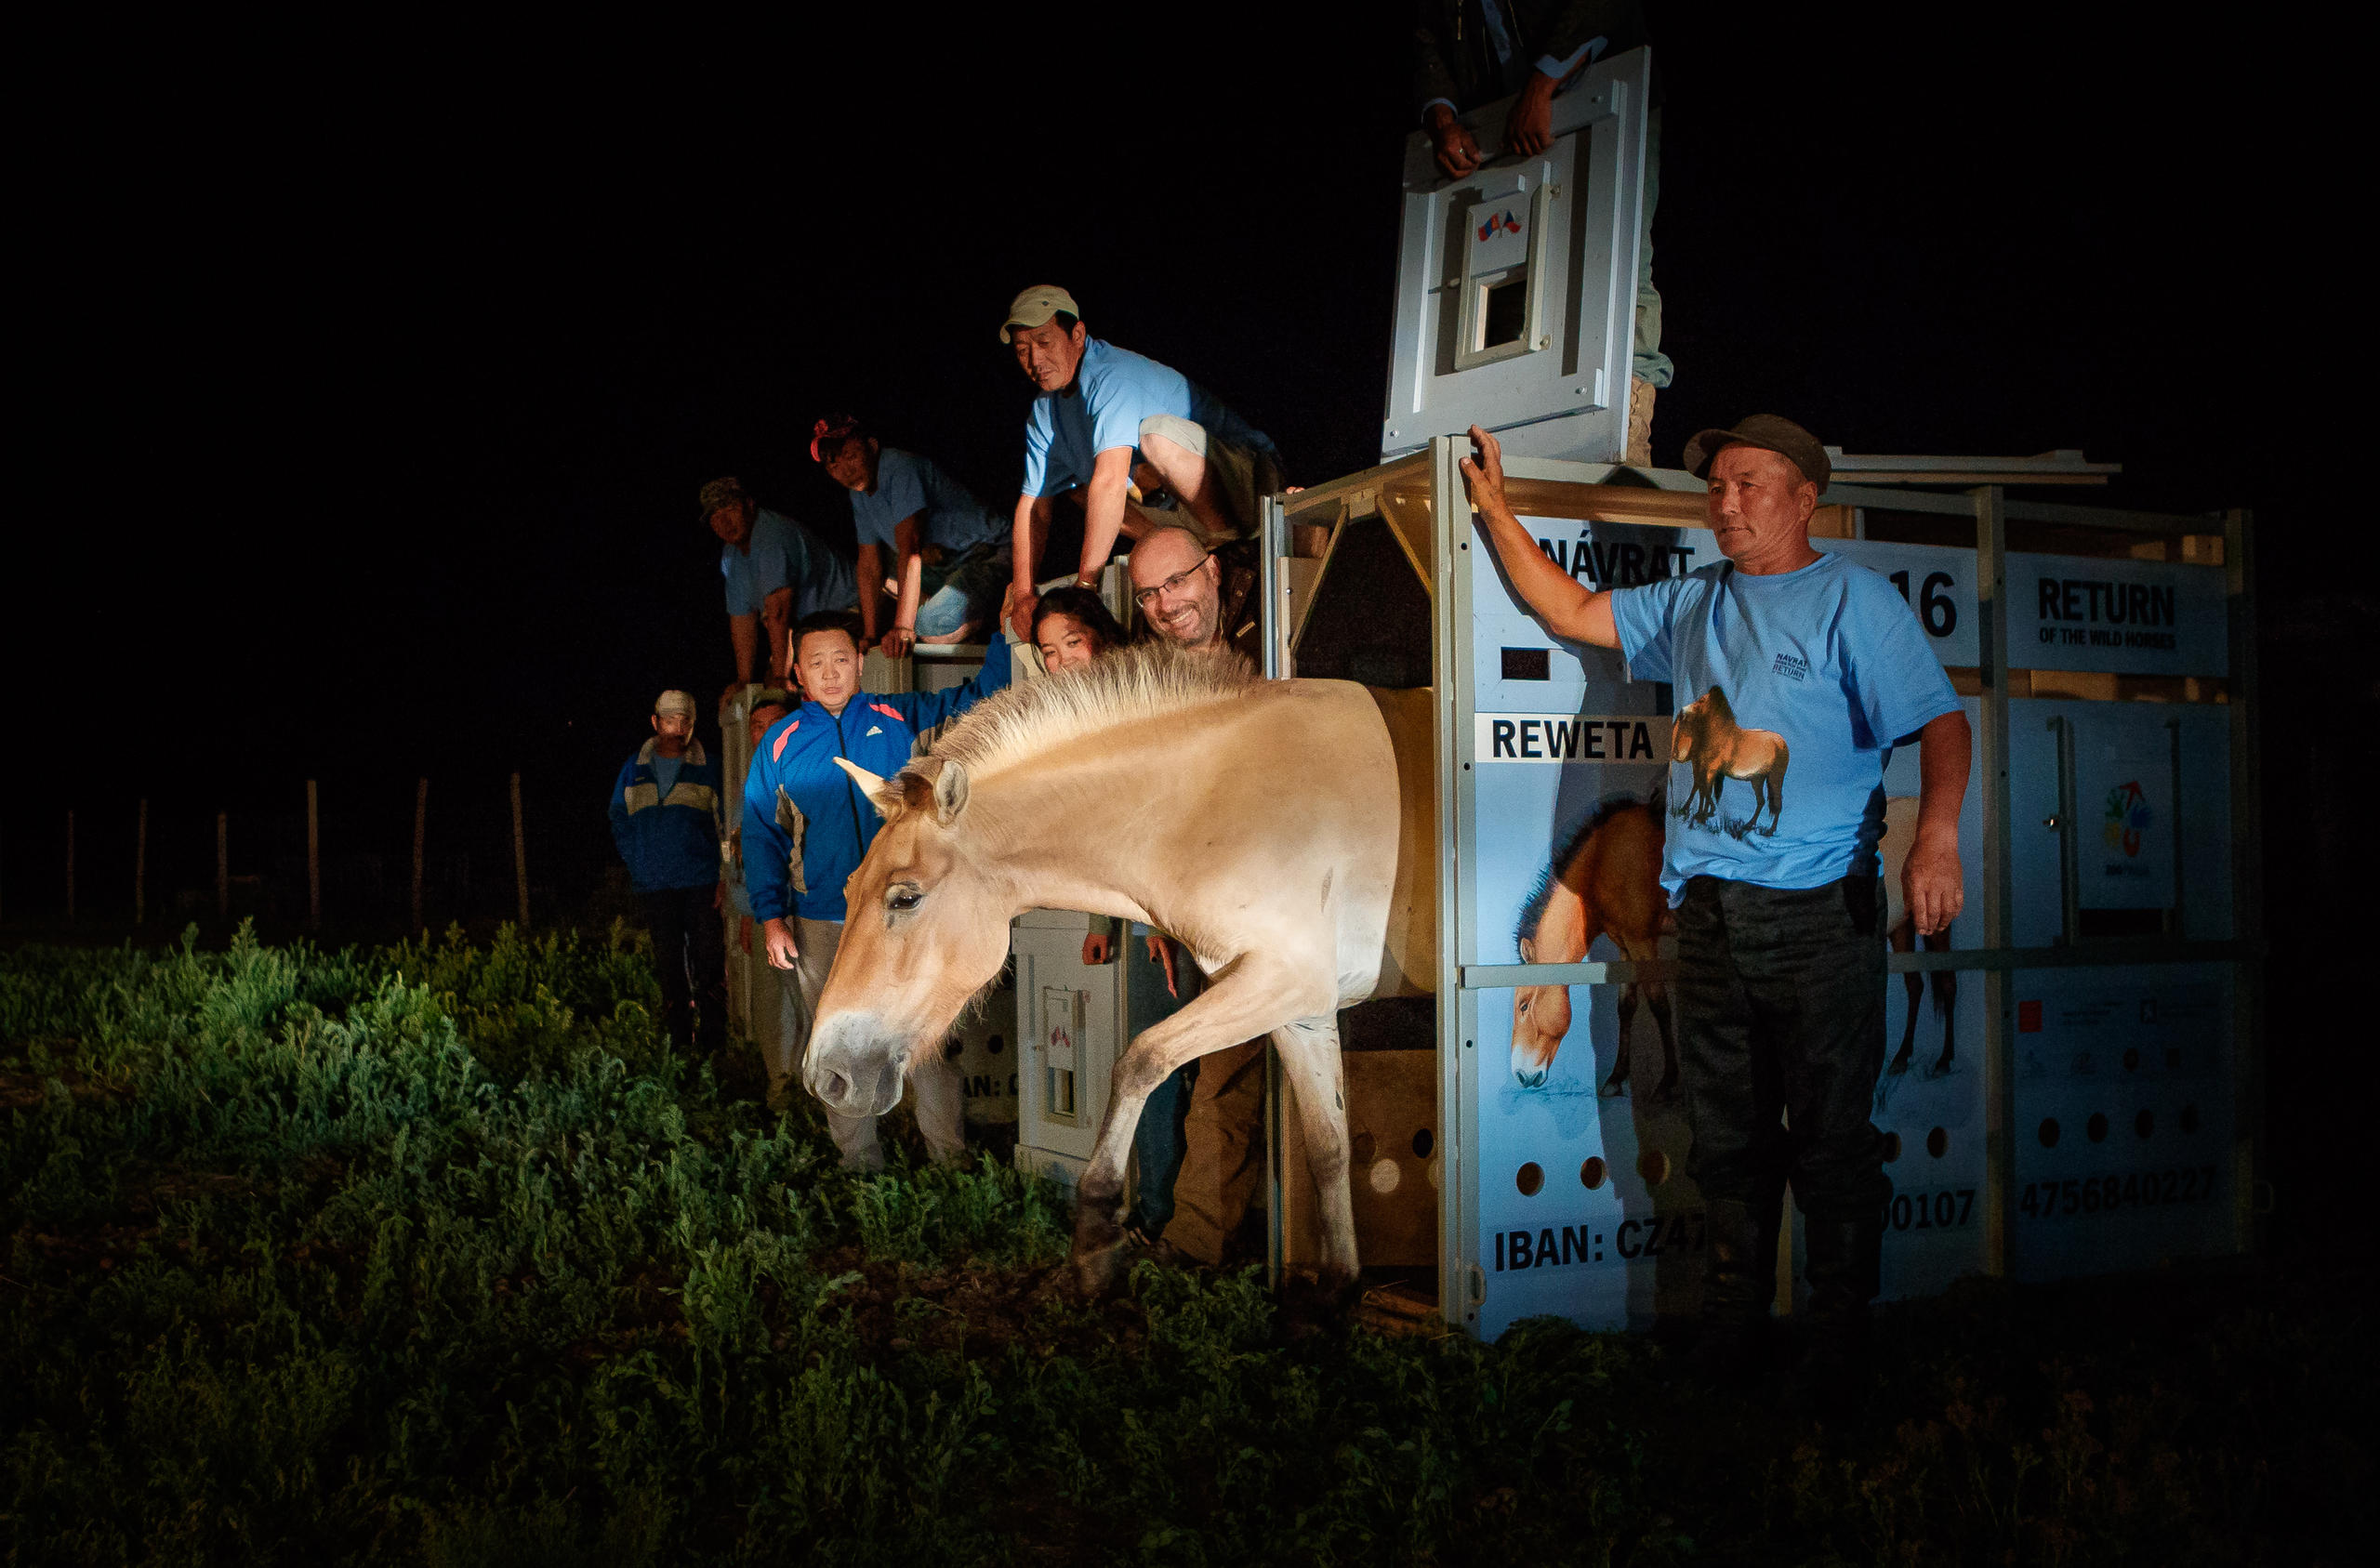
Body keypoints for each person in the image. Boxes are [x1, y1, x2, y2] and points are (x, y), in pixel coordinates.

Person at [1461, 415, 1972, 1409]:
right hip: (1708, 918)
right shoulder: (1690, 600)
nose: (1725, 503)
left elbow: (1941, 724)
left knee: (1831, 1140)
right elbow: (1570, 609)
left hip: (1821, 918)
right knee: (1725, 1139)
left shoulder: (1853, 602)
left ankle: (1838, 1341)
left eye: (1747, 484)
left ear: (1801, 497)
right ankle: (1731, 1330)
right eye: (1717, 488)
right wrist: (1496, 511)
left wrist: (1937, 836)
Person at [740, 611, 1014, 1167]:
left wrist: (1005, 629)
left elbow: (985, 694)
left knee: (924, 1043)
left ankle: (950, 1159)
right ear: (798, 672)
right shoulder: (780, 742)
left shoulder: (899, 715)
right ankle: (860, 1163)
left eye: (842, 659)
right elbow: (760, 833)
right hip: (823, 919)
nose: (832, 672)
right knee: (835, 1042)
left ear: (861, 663)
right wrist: (772, 917)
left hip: (905, 918)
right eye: (816, 662)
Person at [1411, 2, 1670, 466]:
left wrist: (1541, 86)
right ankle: (1514, 434)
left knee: (1617, 262)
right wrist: (1443, 119)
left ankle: (1624, 421)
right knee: (1514, 277)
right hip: (1501, 131)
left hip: (1597, 92)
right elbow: (1427, 37)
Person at [996, 285, 1282, 639]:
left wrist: (1086, 587)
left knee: (1154, 436)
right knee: (1075, 490)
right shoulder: (1044, 411)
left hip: (1248, 484)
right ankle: (1182, 550)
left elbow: (1111, 481)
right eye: (1023, 351)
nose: (1035, 360)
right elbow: (1034, 506)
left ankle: (1229, 549)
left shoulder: (1112, 375)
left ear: (1078, 335)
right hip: (1180, 509)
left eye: (1044, 342)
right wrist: (1023, 594)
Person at [813, 415, 1012, 658]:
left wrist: (903, 627)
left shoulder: (899, 467)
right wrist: (870, 635)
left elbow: (911, 550)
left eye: (851, 457)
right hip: (943, 565)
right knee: (884, 578)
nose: (846, 472)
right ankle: (946, 614)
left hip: (988, 551)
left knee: (931, 626)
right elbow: (868, 565)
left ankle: (970, 619)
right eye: (834, 467)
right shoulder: (859, 495)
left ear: (872, 447)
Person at [607, 690, 728, 1059]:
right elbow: (618, 816)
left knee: (708, 960)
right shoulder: (634, 767)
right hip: (655, 883)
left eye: (685, 720)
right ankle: (678, 1043)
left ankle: (714, 1043)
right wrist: (637, 860)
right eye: (669, 720)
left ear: (693, 724)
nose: (677, 728)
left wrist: (724, 875)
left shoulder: (710, 766)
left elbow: (727, 826)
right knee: (668, 962)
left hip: (701, 880)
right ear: (655, 722)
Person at [700, 476, 859, 695]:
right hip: (807, 626)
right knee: (768, 687)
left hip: (848, 611)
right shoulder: (731, 555)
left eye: (730, 509)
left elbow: (779, 612)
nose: (724, 521)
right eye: (716, 516)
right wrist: (743, 681)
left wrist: (780, 676)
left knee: (791, 681)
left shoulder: (771, 536)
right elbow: (741, 619)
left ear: (749, 504)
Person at [1125, 522, 1262, 665]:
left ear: (1213, 571)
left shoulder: (1266, 594)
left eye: (1177, 581)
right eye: (1148, 594)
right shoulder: (1145, 644)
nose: (1166, 606)